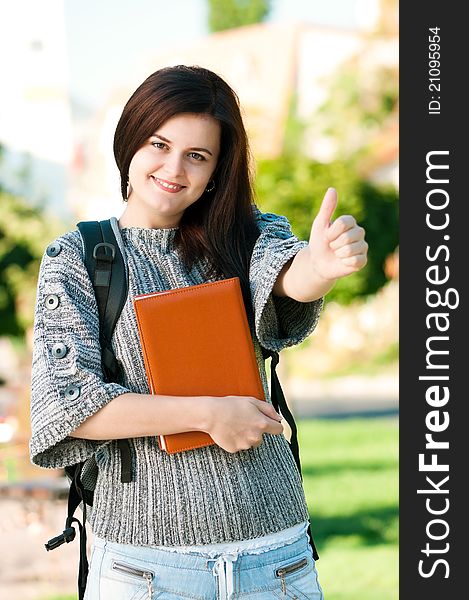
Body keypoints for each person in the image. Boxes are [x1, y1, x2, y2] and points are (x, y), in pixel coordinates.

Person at [30, 65, 367, 600]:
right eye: (159, 144)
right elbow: (68, 406)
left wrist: (319, 269)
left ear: (216, 172)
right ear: (130, 141)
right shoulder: (76, 260)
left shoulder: (247, 233)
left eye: (197, 156)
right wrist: (209, 413)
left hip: (275, 560)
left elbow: (283, 276)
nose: (173, 168)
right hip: (145, 570)